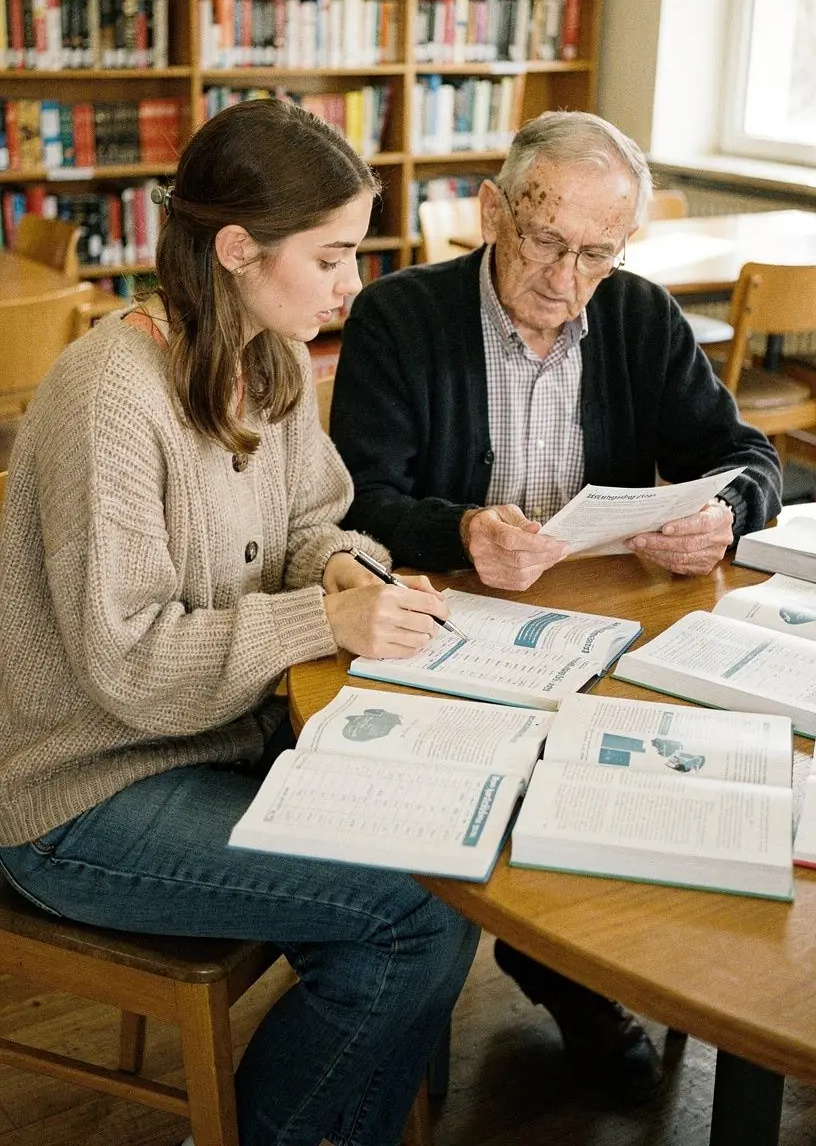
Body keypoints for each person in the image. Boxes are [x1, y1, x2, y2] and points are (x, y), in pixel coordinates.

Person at [0, 97, 479, 1146]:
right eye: (332, 258)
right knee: (412, 915)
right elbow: (128, 662)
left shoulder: (270, 355)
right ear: (235, 250)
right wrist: (325, 618)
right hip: (81, 793)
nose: (354, 285)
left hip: (223, 744)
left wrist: (347, 570)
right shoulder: (110, 397)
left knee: (442, 872)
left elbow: (312, 518)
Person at [330, 109, 783, 1103]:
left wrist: (723, 513)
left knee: (669, 781)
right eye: (545, 240)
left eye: (597, 254)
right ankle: (543, 974)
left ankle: (588, 960)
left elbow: (749, 458)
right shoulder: (400, 317)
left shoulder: (639, 316)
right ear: (493, 212)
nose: (566, 279)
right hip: (448, 628)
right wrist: (463, 531)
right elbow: (358, 505)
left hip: (605, 628)